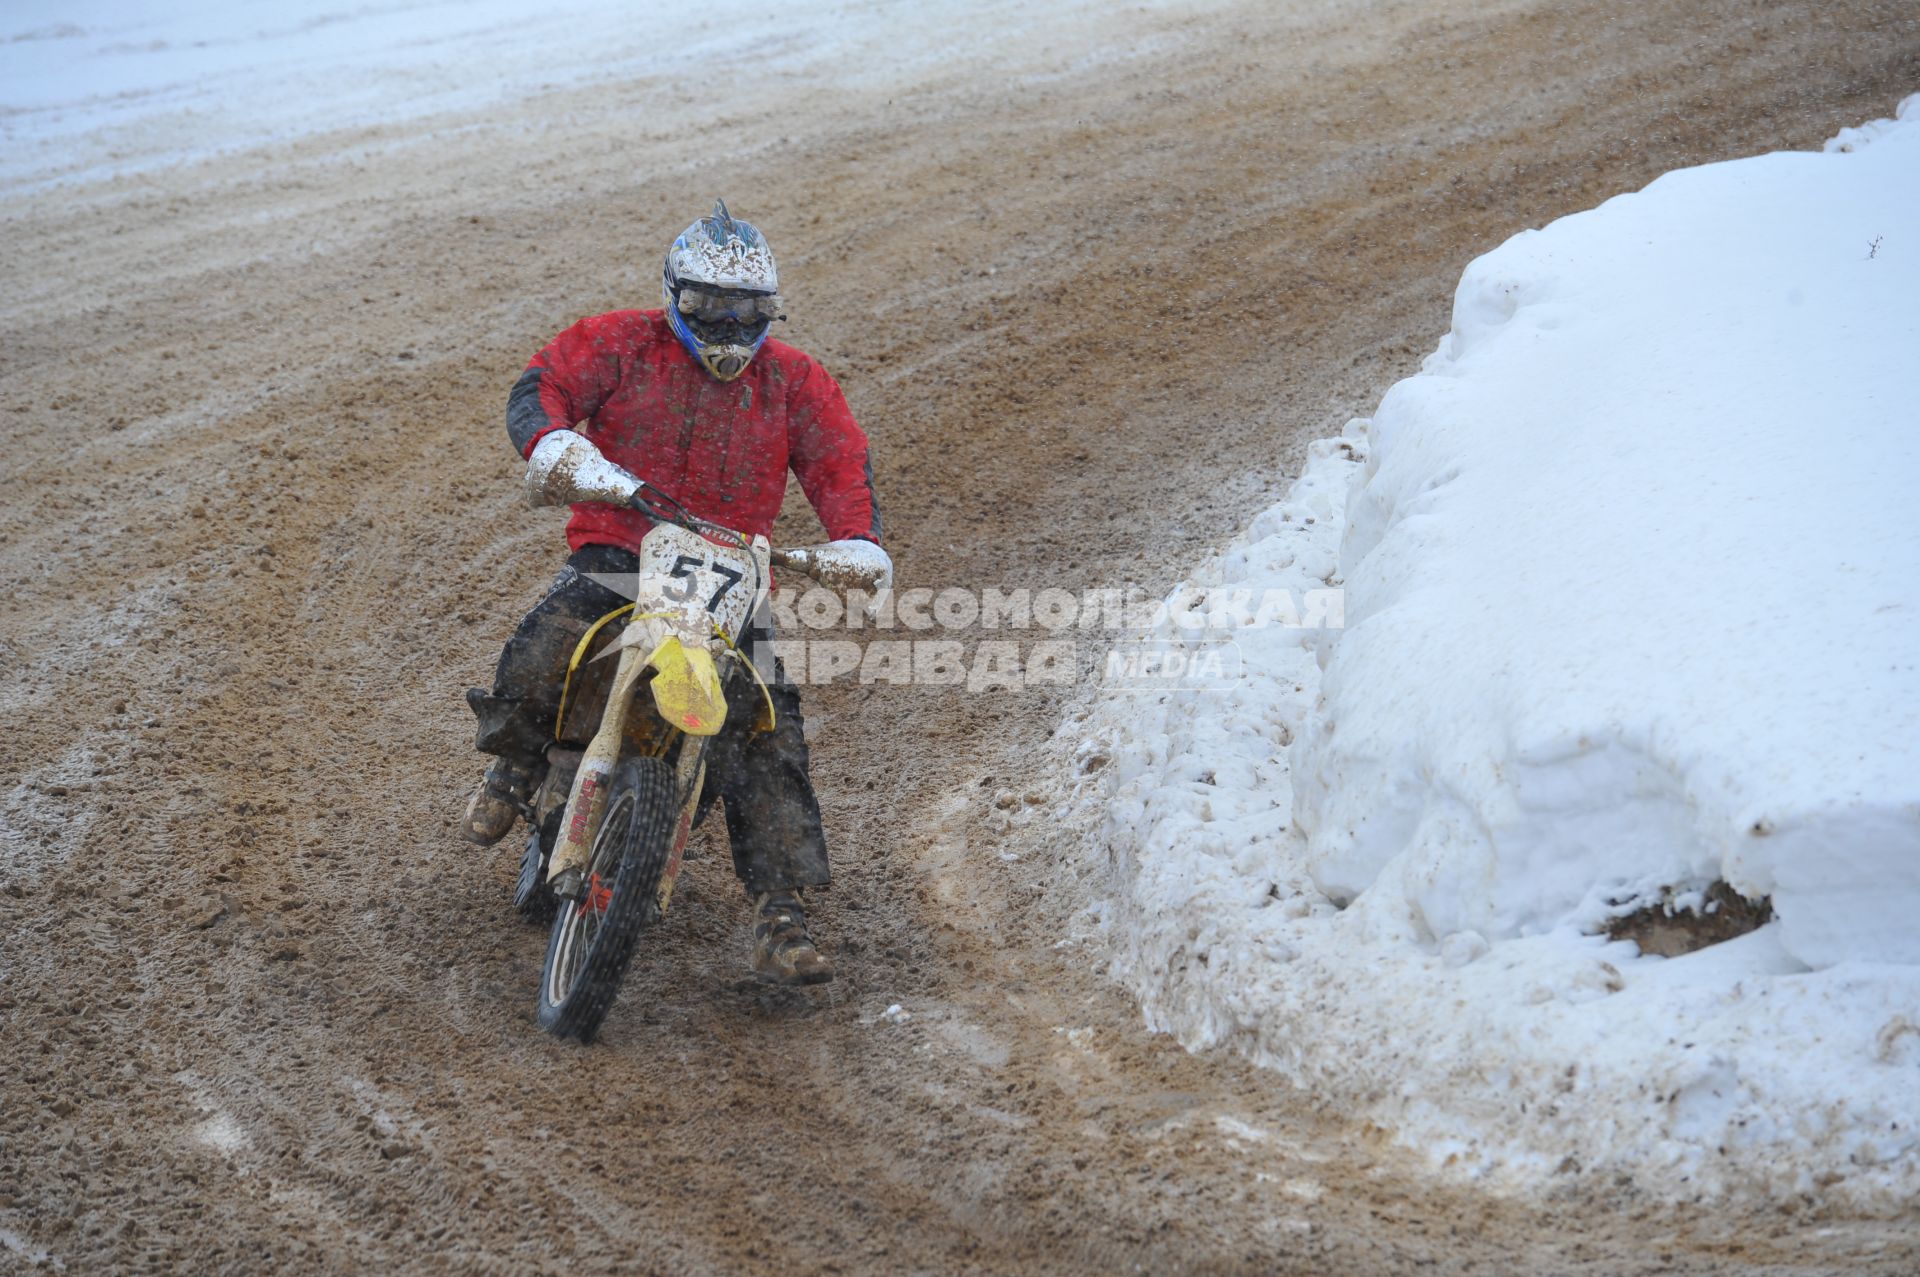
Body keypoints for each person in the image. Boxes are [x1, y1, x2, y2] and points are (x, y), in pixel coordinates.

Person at [461, 200, 889, 986]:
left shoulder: (795, 380)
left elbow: (840, 462)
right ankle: (517, 763)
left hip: (730, 577)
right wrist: (555, 442)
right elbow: (543, 384)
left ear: (770, 312)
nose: (728, 329)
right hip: (621, 549)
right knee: (547, 642)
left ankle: (780, 909)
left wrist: (857, 539)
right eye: (710, 310)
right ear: (676, 296)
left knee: (769, 726)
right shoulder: (620, 341)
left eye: (747, 314)